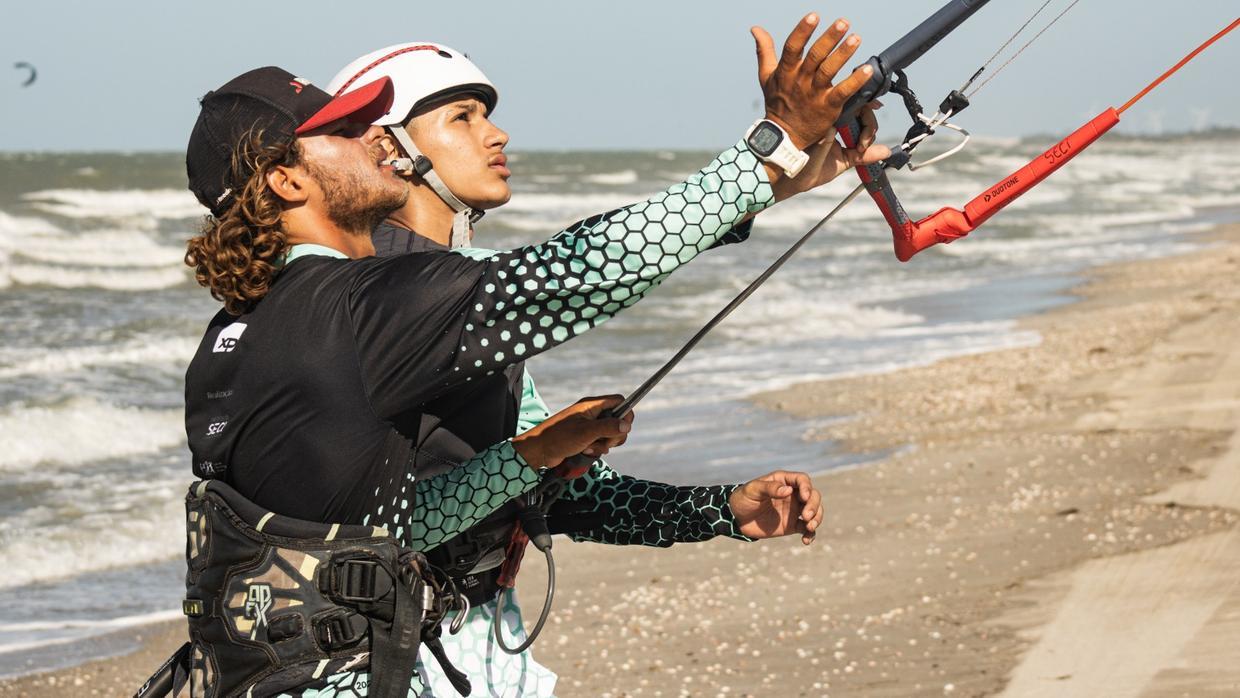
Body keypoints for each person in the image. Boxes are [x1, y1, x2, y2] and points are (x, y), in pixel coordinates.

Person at [178, 11, 884, 697]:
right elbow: (585, 269)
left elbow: (385, 534)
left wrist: (533, 456)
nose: (371, 143)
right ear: (287, 181)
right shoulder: (361, 306)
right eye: (342, 132)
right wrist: (772, 146)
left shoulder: (236, 334)